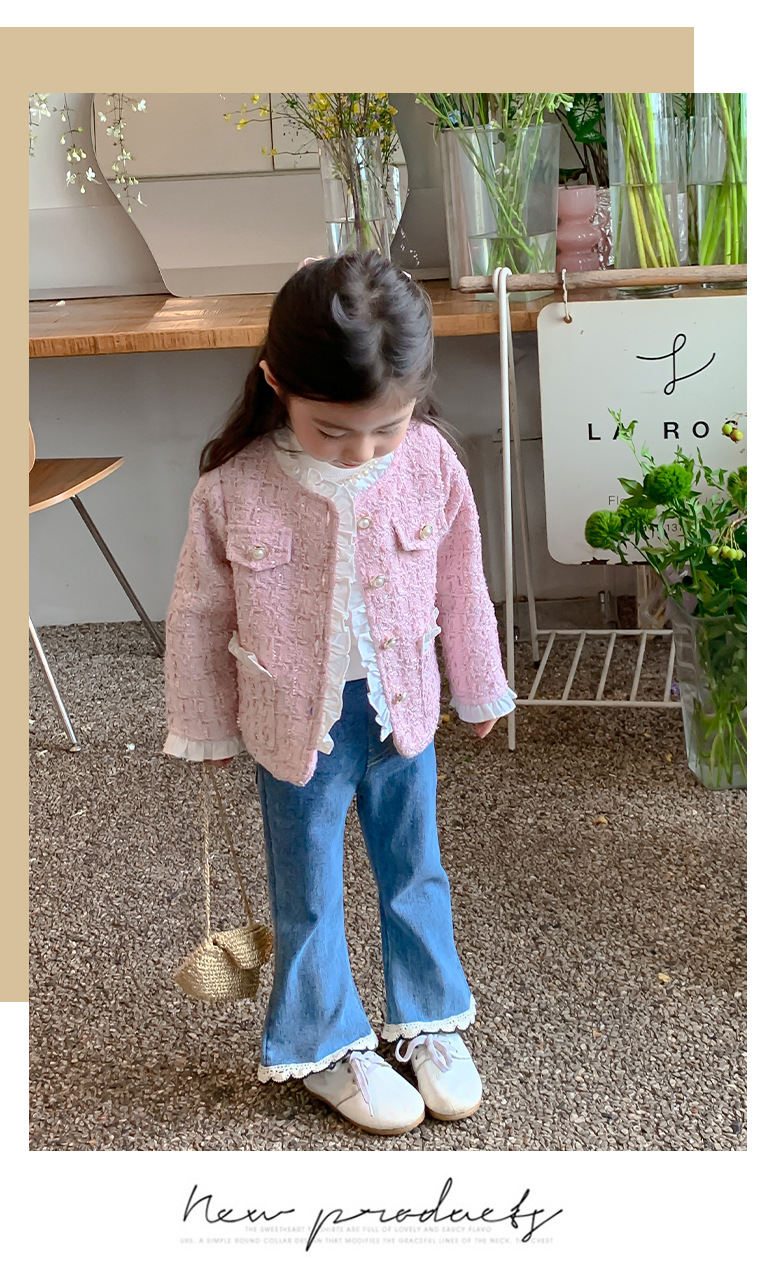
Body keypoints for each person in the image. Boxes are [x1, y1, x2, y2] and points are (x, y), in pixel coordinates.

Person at [164, 251, 516, 1137]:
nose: (362, 452)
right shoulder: (232, 490)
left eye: (386, 429)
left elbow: (460, 581)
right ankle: (324, 1041)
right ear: (276, 383)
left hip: (403, 712)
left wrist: (478, 685)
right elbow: (199, 615)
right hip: (294, 726)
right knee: (309, 887)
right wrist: (205, 728)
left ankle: (428, 1017)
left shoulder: (431, 463)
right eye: (333, 431)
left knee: (416, 868)